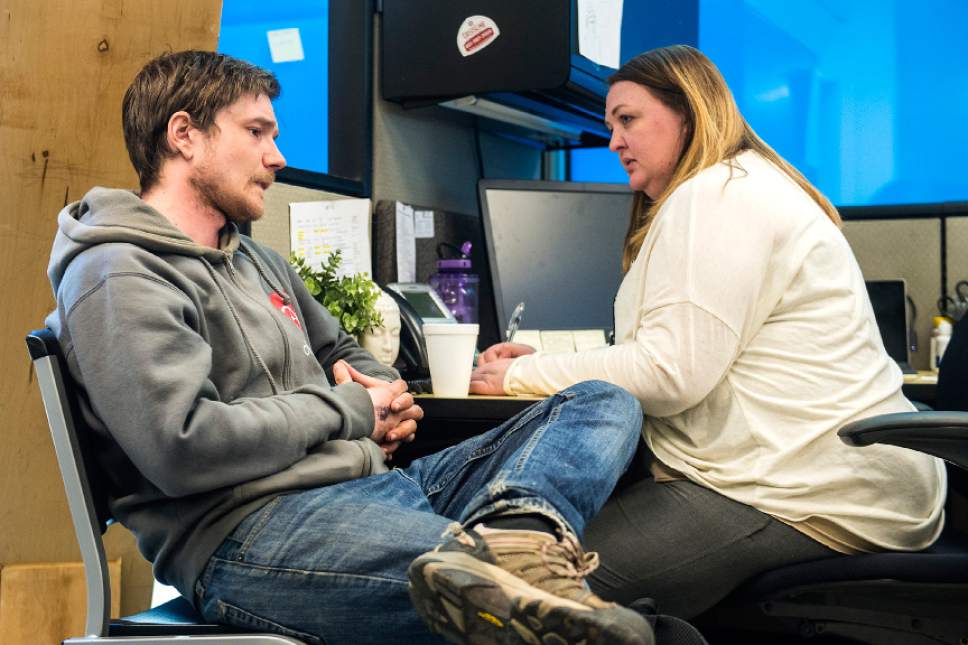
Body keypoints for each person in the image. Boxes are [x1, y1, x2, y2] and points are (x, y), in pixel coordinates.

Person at [44, 50, 655, 645]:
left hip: (377, 488)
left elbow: (346, 352)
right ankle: (500, 572)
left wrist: (384, 395)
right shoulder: (117, 273)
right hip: (248, 532)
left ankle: (512, 545)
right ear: (185, 135)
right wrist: (352, 410)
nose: (276, 156)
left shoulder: (257, 261)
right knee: (574, 613)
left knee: (603, 402)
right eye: (256, 132)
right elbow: (183, 445)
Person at [470, 44, 947, 618]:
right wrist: (548, 360)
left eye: (628, 119)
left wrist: (518, 375)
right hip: (822, 477)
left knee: (496, 588)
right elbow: (674, 352)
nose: (614, 141)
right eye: (609, 125)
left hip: (795, 492)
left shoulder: (718, 194)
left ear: (689, 114)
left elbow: (672, 373)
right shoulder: (742, 186)